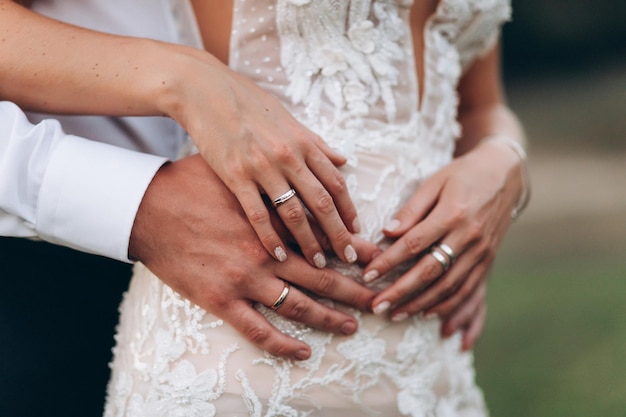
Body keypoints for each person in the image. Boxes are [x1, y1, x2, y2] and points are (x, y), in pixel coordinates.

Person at [0, 0, 529, 415]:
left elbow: (478, 103)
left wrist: (504, 159)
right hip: (241, 353)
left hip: (430, 361)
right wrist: (185, 78)